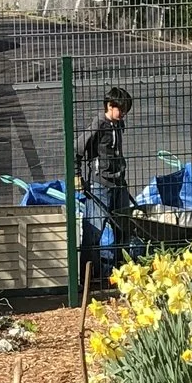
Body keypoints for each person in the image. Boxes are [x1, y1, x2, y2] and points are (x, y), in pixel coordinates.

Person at [77, 85, 134, 256]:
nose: (124, 113)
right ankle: (90, 273)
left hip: (119, 184)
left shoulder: (118, 124)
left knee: (124, 227)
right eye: (121, 109)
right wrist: (76, 175)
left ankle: (120, 268)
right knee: (94, 231)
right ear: (110, 105)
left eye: (126, 110)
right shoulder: (98, 125)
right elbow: (75, 149)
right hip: (100, 185)